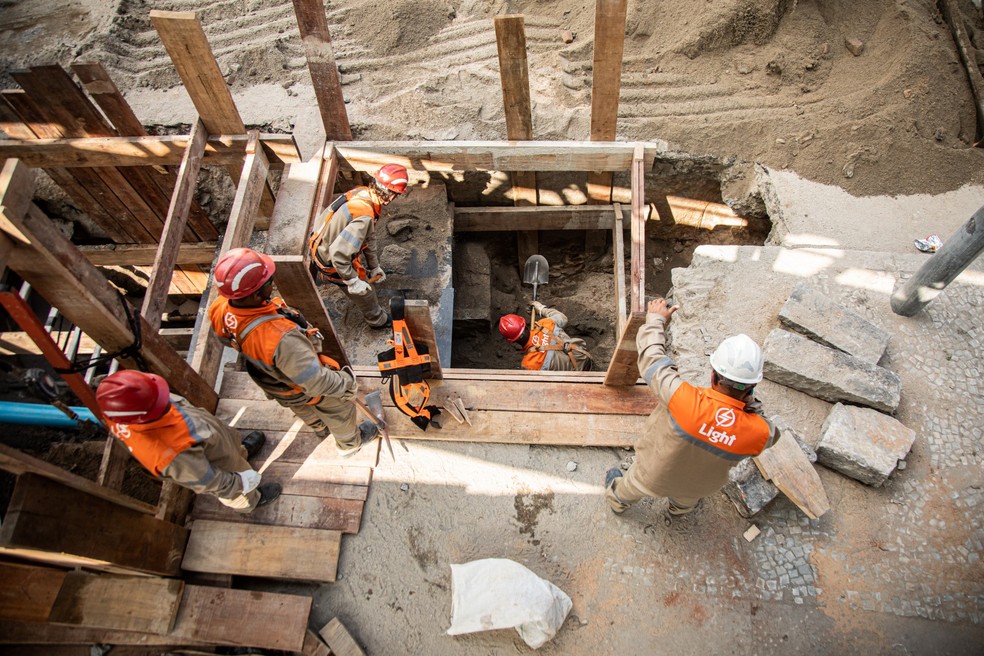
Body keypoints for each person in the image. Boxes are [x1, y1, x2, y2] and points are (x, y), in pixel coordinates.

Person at [604, 297, 778, 520]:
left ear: (714, 375)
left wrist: (656, 319)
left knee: (631, 486)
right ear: (753, 386)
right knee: (687, 498)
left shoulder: (684, 401)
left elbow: (652, 359)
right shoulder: (760, 432)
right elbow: (765, 424)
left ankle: (617, 502)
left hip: (654, 474)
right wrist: (747, 402)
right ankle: (678, 511)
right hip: (701, 485)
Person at [208, 247, 377, 457]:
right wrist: (346, 385)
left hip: (273, 382)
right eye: (268, 281)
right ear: (254, 293)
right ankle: (350, 444)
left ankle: (318, 427)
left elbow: (225, 339)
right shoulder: (280, 339)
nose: (272, 282)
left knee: (301, 407)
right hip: (298, 383)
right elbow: (316, 382)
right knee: (339, 410)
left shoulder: (220, 306)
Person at [96, 370, 281, 512]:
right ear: (143, 415)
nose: (165, 399)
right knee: (236, 490)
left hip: (213, 440)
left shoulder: (132, 404)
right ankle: (251, 501)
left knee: (231, 452)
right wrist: (239, 483)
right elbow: (206, 479)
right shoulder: (167, 453)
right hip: (216, 465)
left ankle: (241, 453)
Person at [308, 163, 409, 328]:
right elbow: (338, 254)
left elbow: (369, 236)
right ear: (391, 195)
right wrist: (352, 281)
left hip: (321, 241)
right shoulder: (365, 216)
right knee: (365, 293)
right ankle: (377, 320)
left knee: (359, 271)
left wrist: (374, 266)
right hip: (328, 260)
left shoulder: (362, 194)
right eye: (396, 195)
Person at [498, 301, 593, 371]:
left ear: (512, 341)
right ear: (524, 325)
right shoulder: (545, 324)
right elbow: (563, 318)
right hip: (585, 360)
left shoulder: (528, 365)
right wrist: (541, 309)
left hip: (575, 382)